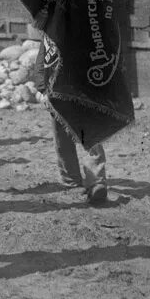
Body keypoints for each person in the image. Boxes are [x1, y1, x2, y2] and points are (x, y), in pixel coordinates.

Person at [36, 37, 109, 204]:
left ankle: (96, 182)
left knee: (91, 135)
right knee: (62, 138)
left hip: (83, 89)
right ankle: (71, 180)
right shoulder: (49, 33)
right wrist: (42, 88)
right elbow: (41, 62)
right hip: (56, 92)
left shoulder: (87, 27)